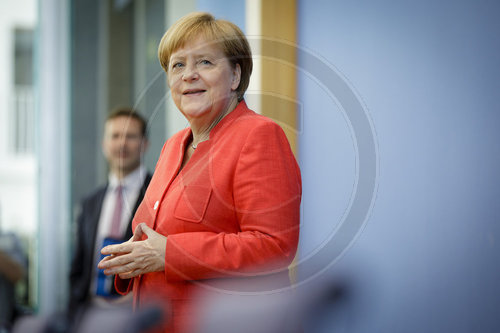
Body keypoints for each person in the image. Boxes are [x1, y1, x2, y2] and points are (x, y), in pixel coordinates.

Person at [98, 12, 301, 333]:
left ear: (235, 76)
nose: (188, 75)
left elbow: (273, 247)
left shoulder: (259, 135)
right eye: (178, 65)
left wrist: (171, 254)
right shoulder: (172, 146)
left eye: (204, 62)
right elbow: (154, 237)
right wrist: (129, 260)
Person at [69, 108, 152, 313]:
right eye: (115, 136)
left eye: (130, 136)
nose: (122, 144)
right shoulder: (90, 203)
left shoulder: (158, 193)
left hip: (136, 314)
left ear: (145, 144)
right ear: (104, 145)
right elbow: (78, 268)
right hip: (89, 313)